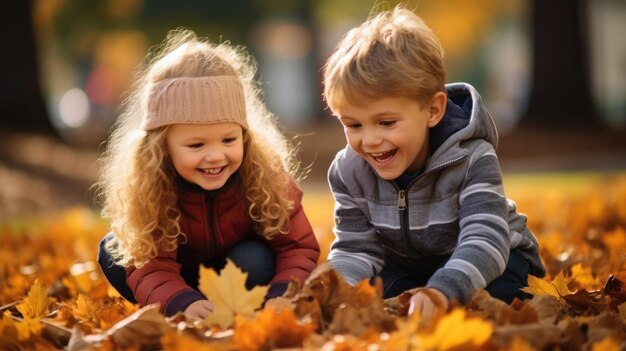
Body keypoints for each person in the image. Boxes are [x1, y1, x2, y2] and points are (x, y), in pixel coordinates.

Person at [322, 5, 545, 320]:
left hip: (491, 254)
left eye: (386, 123)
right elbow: (354, 249)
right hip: (409, 265)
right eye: (354, 125)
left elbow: (484, 237)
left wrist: (441, 290)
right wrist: (341, 291)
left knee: (493, 298)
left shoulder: (471, 157)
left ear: (433, 110)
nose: (369, 140)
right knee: (376, 296)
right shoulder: (349, 171)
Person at [96, 29, 320, 320]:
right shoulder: (153, 187)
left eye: (228, 140)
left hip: (237, 273)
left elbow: (297, 246)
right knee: (116, 251)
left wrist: (282, 294)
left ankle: (240, 306)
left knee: (255, 259)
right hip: (179, 279)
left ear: (245, 135)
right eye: (196, 144)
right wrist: (181, 302)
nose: (215, 155)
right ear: (162, 147)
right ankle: (180, 307)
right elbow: (151, 264)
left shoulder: (264, 176)